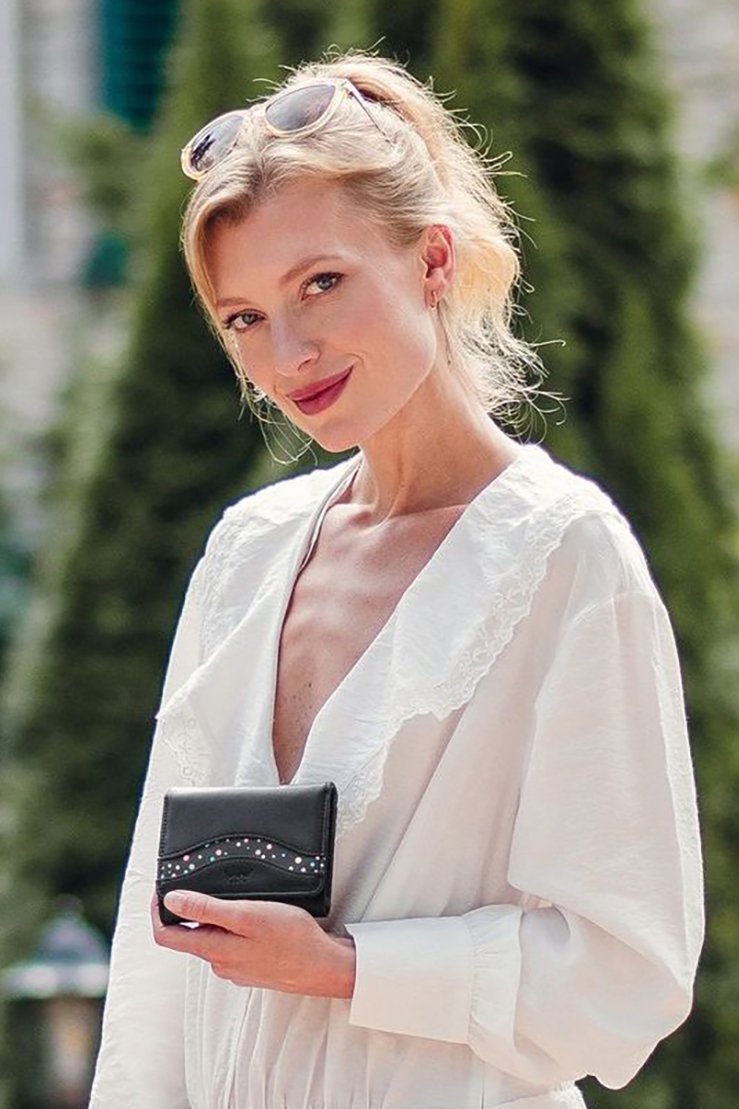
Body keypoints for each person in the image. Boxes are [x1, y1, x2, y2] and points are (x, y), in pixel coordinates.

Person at [89, 52, 704, 1109]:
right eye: (244, 318)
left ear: (431, 259)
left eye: (320, 284)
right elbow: (156, 975)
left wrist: (347, 966)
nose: (288, 353)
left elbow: (627, 973)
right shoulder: (246, 552)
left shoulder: (564, 554)